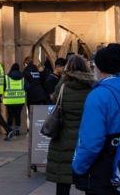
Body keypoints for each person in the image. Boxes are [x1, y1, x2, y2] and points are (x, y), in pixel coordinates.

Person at [72, 43, 120, 195]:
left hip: (102, 168)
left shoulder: (97, 96)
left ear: (99, 68)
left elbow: (91, 142)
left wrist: (78, 166)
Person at [46, 55, 93, 195]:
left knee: (63, 180)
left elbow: (55, 100)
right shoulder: (92, 87)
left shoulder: (63, 86)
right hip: (85, 138)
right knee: (88, 178)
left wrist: (63, 78)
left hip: (63, 138)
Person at [3, 63, 26, 134]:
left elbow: (3, 87)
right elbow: (27, 87)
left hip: (9, 101)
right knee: (17, 115)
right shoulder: (23, 77)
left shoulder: (6, 77)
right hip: (20, 100)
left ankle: (9, 131)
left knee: (10, 116)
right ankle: (17, 131)